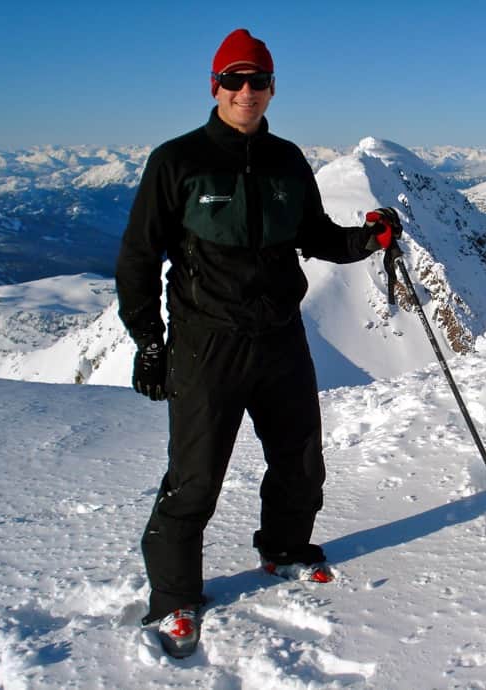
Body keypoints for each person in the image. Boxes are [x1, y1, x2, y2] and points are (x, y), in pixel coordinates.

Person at [115, 28, 402, 658]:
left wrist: (369, 240)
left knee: (300, 460)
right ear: (214, 86)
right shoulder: (178, 160)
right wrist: (149, 340)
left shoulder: (288, 160)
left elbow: (318, 236)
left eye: (259, 80)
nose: (247, 91)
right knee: (194, 480)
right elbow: (138, 255)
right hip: (205, 343)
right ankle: (174, 599)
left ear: (273, 88)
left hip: (279, 338)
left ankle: (284, 550)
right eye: (235, 79)